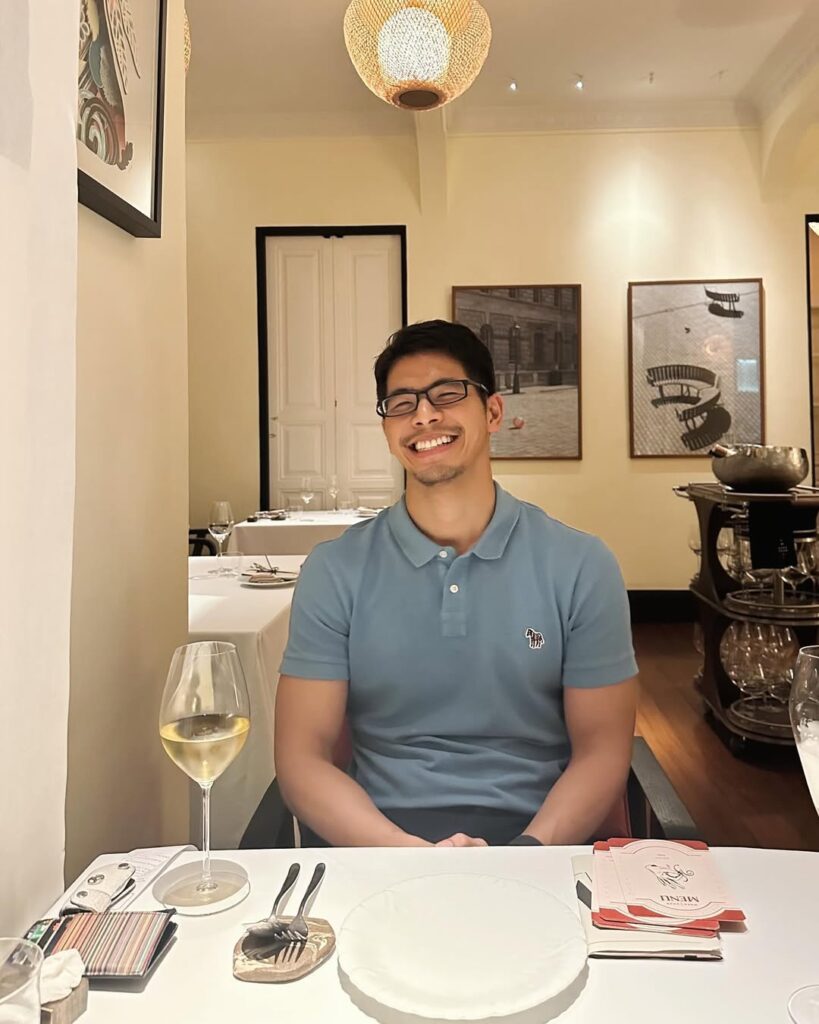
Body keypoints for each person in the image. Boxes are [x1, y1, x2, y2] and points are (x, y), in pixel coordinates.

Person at [275, 320, 638, 848]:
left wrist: (525, 854)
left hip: (541, 842)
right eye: (401, 403)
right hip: (379, 844)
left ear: (493, 412)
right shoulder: (334, 570)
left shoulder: (581, 565)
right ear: (387, 431)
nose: (423, 416)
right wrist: (406, 855)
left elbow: (602, 751)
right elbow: (301, 758)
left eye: (446, 394)